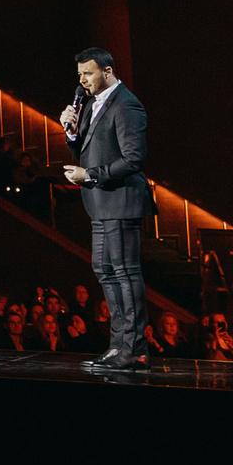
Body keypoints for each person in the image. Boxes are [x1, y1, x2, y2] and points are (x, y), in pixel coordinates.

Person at [58, 48, 151, 371]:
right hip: (100, 204)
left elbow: (133, 159)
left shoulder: (126, 105)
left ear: (107, 71)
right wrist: (71, 131)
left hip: (121, 201)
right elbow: (85, 149)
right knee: (104, 269)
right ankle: (118, 345)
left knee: (125, 272)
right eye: (80, 75)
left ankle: (134, 348)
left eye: (88, 73)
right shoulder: (91, 104)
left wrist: (90, 175)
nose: (83, 80)